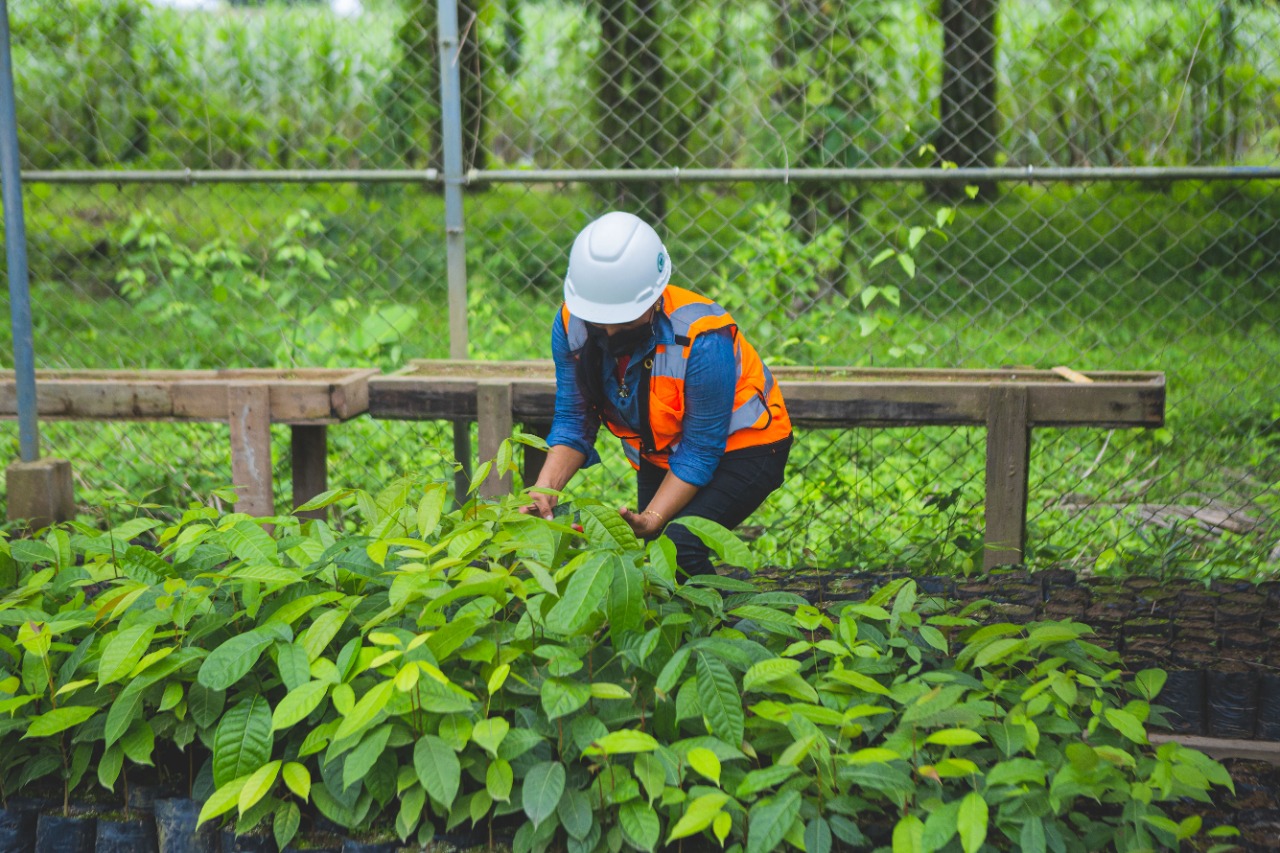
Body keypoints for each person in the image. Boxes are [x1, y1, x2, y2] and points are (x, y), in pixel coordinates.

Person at [522, 211, 793, 576]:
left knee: (677, 545)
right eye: (600, 318)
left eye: (624, 317)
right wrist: (546, 488)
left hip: (745, 448)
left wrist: (654, 516)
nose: (611, 330)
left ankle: (731, 628)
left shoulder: (701, 337)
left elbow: (701, 448)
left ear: (655, 298)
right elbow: (574, 420)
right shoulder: (571, 324)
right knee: (661, 561)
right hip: (663, 452)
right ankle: (703, 624)